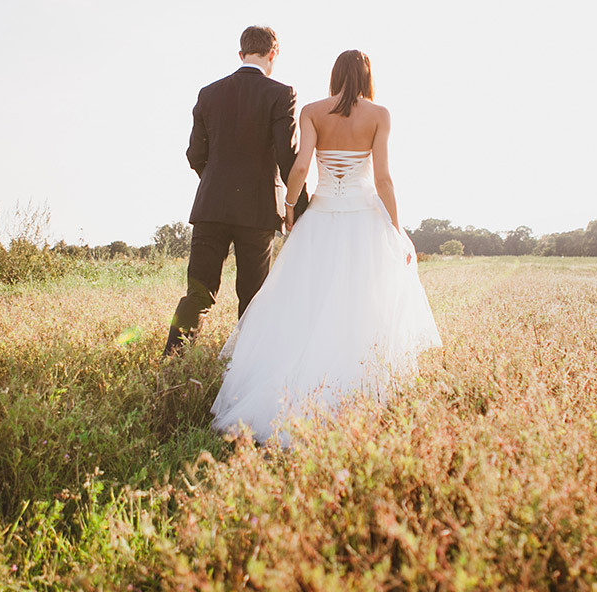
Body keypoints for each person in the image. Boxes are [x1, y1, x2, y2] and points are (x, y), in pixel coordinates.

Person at [211, 49, 442, 445]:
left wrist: (289, 207)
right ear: (368, 76)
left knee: (306, 302)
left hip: (320, 218)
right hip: (364, 219)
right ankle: (360, 392)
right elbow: (383, 179)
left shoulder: (313, 111)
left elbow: (301, 167)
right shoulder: (380, 115)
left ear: (335, 74)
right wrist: (396, 227)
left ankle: (290, 390)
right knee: (363, 306)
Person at [163, 25, 308, 356]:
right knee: (253, 296)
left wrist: (216, 183)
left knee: (198, 292)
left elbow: (195, 155)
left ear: (241, 54)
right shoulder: (281, 93)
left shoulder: (208, 93)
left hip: (211, 207)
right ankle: (245, 364)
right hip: (257, 211)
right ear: (273, 54)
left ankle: (172, 361)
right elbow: (287, 156)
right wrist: (298, 208)